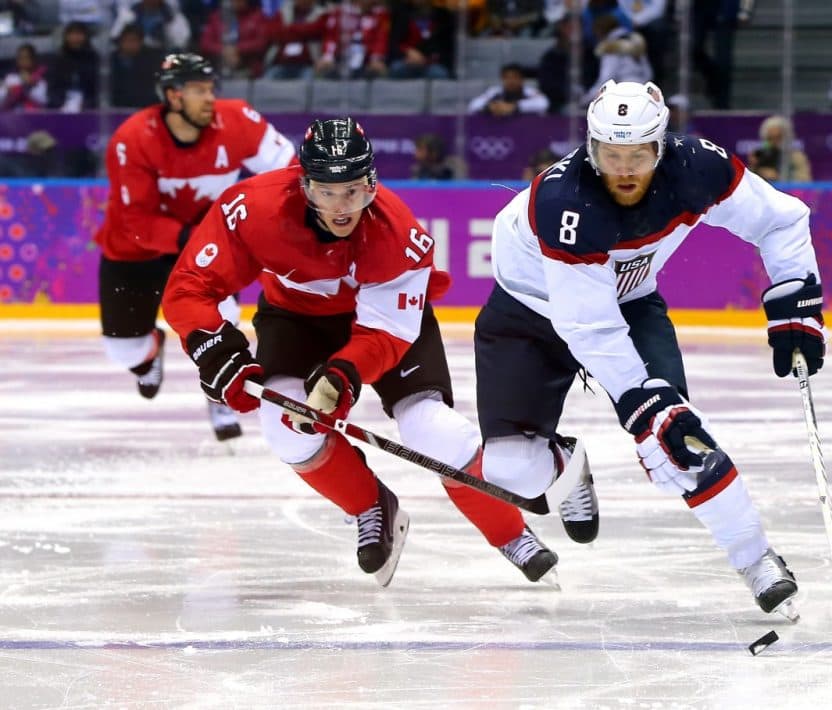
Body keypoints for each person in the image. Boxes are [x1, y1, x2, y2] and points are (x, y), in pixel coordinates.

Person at [160, 117, 567, 586]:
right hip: (295, 322)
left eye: (353, 190)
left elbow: (386, 334)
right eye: (326, 191)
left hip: (382, 332)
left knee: (433, 431)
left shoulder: (399, 235)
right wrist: (214, 347)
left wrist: (341, 376)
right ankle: (372, 506)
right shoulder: (250, 207)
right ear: (303, 182)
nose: (340, 207)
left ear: (372, 182)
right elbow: (191, 285)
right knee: (285, 430)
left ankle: (510, 532)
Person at [475, 79, 826, 618]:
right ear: (590, 148)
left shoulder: (698, 168)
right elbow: (587, 325)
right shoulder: (565, 200)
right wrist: (643, 402)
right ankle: (565, 463)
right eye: (610, 154)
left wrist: (795, 299)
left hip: (629, 303)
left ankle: (758, 562)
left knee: (677, 439)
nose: (624, 168)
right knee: (510, 470)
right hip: (528, 314)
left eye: (638, 155)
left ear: (661, 147)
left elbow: (780, 221)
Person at [94, 53, 296, 442]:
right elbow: (134, 225)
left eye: (210, 89)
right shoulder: (133, 139)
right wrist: (190, 236)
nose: (210, 98)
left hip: (206, 248)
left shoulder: (237, 118)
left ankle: (224, 388)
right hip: (137, 252)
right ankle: (149, 352)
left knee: (223, 312)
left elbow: (289, 172)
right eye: (198, 90)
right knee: (123, 351)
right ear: (172, 96)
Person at [747, 115, 812, 184]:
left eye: (778, 137)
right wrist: (754, 168)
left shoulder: (797, 157)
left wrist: (778, 176)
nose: (774, 142)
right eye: (770, 138)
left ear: (787, 137)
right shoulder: (760, 155)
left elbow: (805, 181)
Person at [467, 63, 549, 117]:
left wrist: (514, 107)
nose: (511, 81)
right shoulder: (495, 91)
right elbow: (473, 105)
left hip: (528, 129)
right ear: (502, 79)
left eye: (515, 77)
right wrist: (489, 107)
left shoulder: (530, 92)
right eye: (507, 78)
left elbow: (543, 103)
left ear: (522, 79)